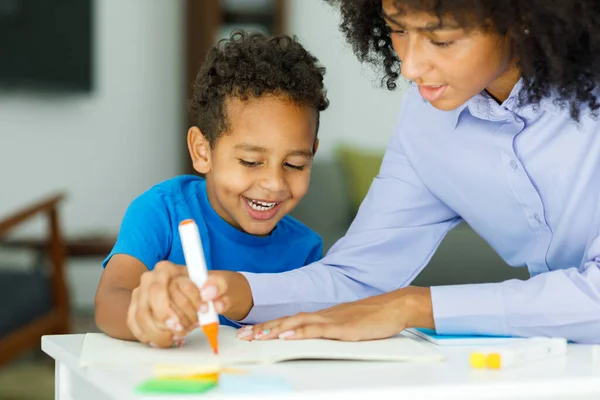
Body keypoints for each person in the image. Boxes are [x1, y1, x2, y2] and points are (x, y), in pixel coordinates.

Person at [134, 0, 600, 345]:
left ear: (521, 17)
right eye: (398, 30)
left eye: (441, 39)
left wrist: (413, 306)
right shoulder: (427, 122)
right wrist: (228, 290)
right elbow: (358, 277)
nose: (411, 65)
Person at [94, 30, 329, 348]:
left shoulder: (306, 250)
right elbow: (109, 300)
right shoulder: (161, 211)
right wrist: (149, 318)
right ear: (203, 151)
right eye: (250, 161)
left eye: (295, 164)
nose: (274, 183)